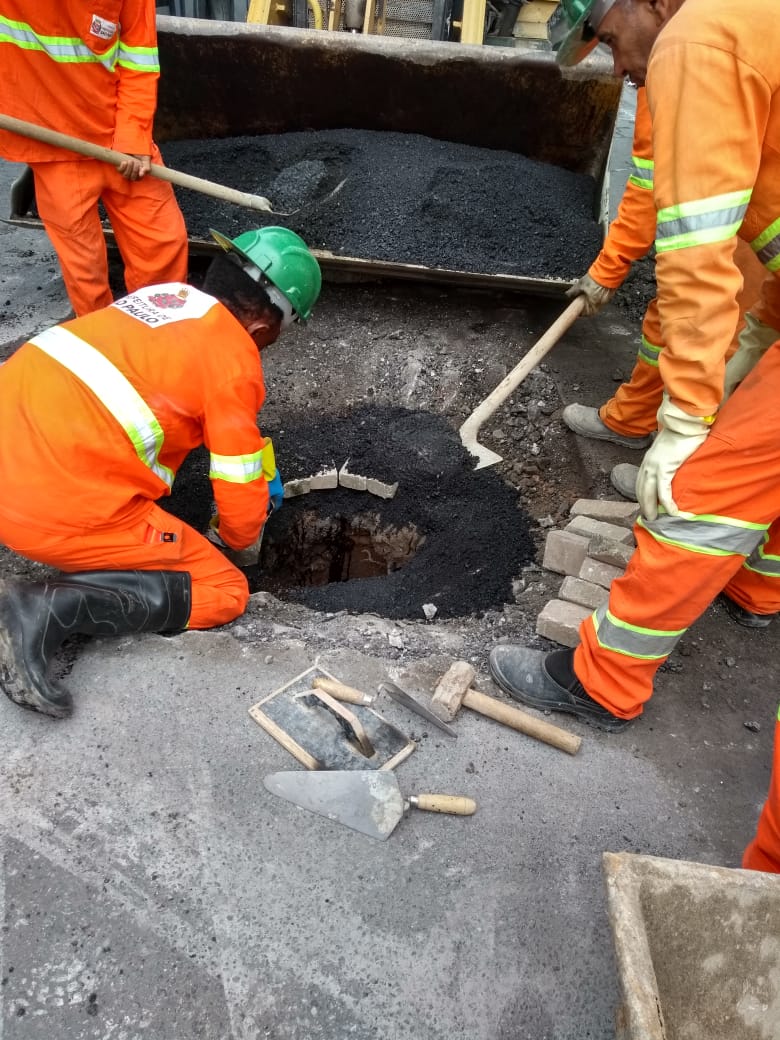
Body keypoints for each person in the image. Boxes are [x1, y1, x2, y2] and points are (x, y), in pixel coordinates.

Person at [489, 0, 780, 873]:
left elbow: (700, 252)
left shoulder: (701, 36)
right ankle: (761, 591)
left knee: (706, 493)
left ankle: (603, 679)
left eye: (610, 40)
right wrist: (767, 329)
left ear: (648, 3)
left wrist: (685, 420)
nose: (616, 68)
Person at [0, 225, 321, 719]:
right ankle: (47, 609)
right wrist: (239, 541)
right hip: (41, 503)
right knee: (225, 590)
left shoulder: (166, 297)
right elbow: (238, 496)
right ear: (263, 328)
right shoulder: (234, 361)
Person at [562, 85, 767, 501]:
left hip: (757, 219)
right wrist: (608, 269)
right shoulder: (655, 67)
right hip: (713, 217)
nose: (617, 67)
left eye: (613, 41)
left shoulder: (693, 55)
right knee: (671, 316)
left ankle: (684, 470)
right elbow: (646, 178)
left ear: (652, 13)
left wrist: (610, 267)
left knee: (727, 340)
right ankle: (634, 418)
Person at [0, 1, 189, 317]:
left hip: (115, 134)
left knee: (163, 242)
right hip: (54, 147)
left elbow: (138, 59)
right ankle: (103, 345)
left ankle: (161, 338)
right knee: (85, 273)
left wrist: (132, 136)